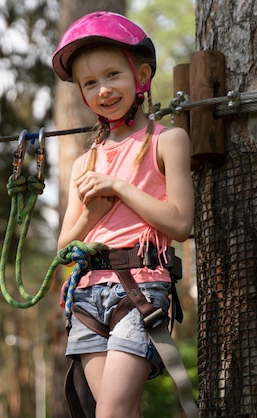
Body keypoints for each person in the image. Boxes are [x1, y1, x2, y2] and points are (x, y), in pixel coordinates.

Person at [52, 11, 195, 418]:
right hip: (88, 296)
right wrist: (90, 215)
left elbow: (181, 224)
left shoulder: (168, 142)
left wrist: (119, 187)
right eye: (90, 83)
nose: (103, 90)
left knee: (111, 412)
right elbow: (64, 247)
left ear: (142, 75)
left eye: (113, 74)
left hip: (140, 289)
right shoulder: (86, 163)